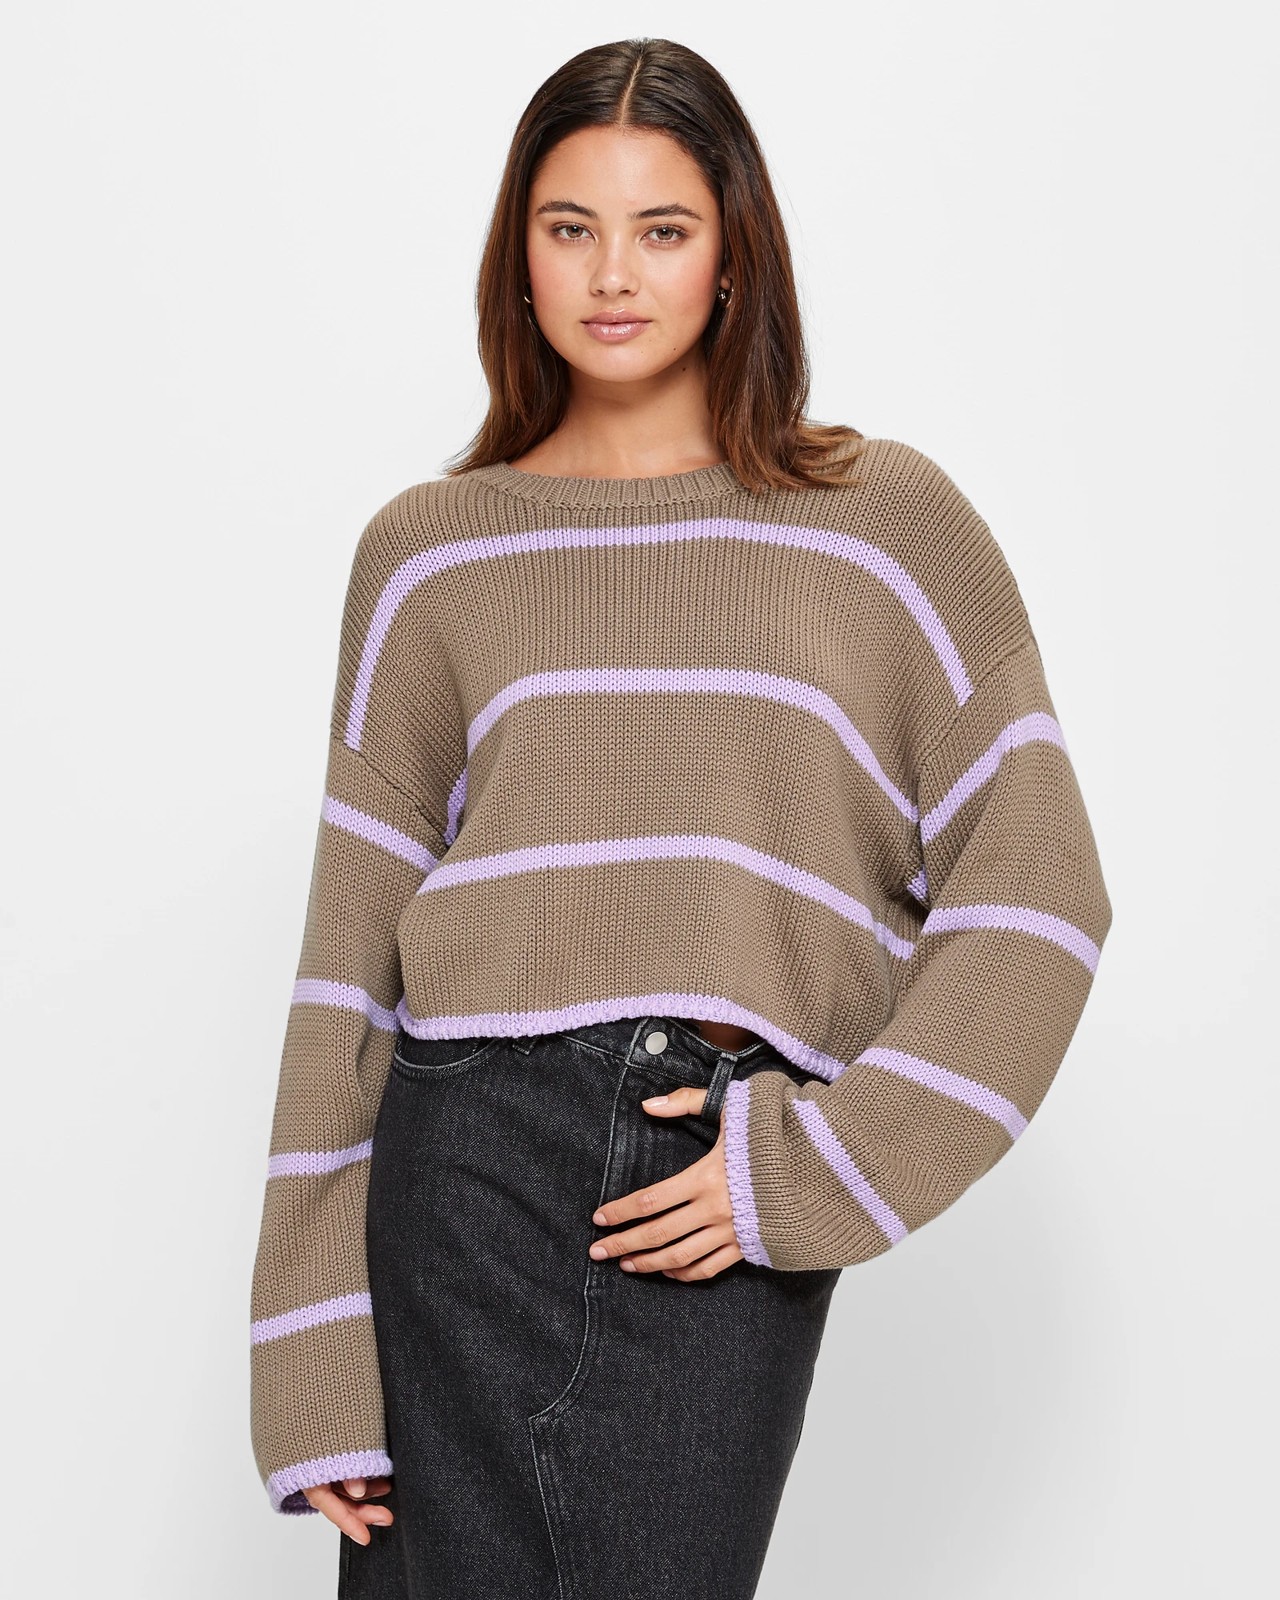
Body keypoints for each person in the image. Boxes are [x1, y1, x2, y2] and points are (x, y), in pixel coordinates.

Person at [248, 36, 1113, 1600]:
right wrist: (311, 1352)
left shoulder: (883, 525)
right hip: (460, 1161)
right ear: (517, 259)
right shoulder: (430, 555)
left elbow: (1041, 891)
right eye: (568, 226)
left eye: (661, 228)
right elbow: (347, 969)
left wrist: (828, 1165)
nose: (611, 273)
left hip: (695, 1159)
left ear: (732, 257)